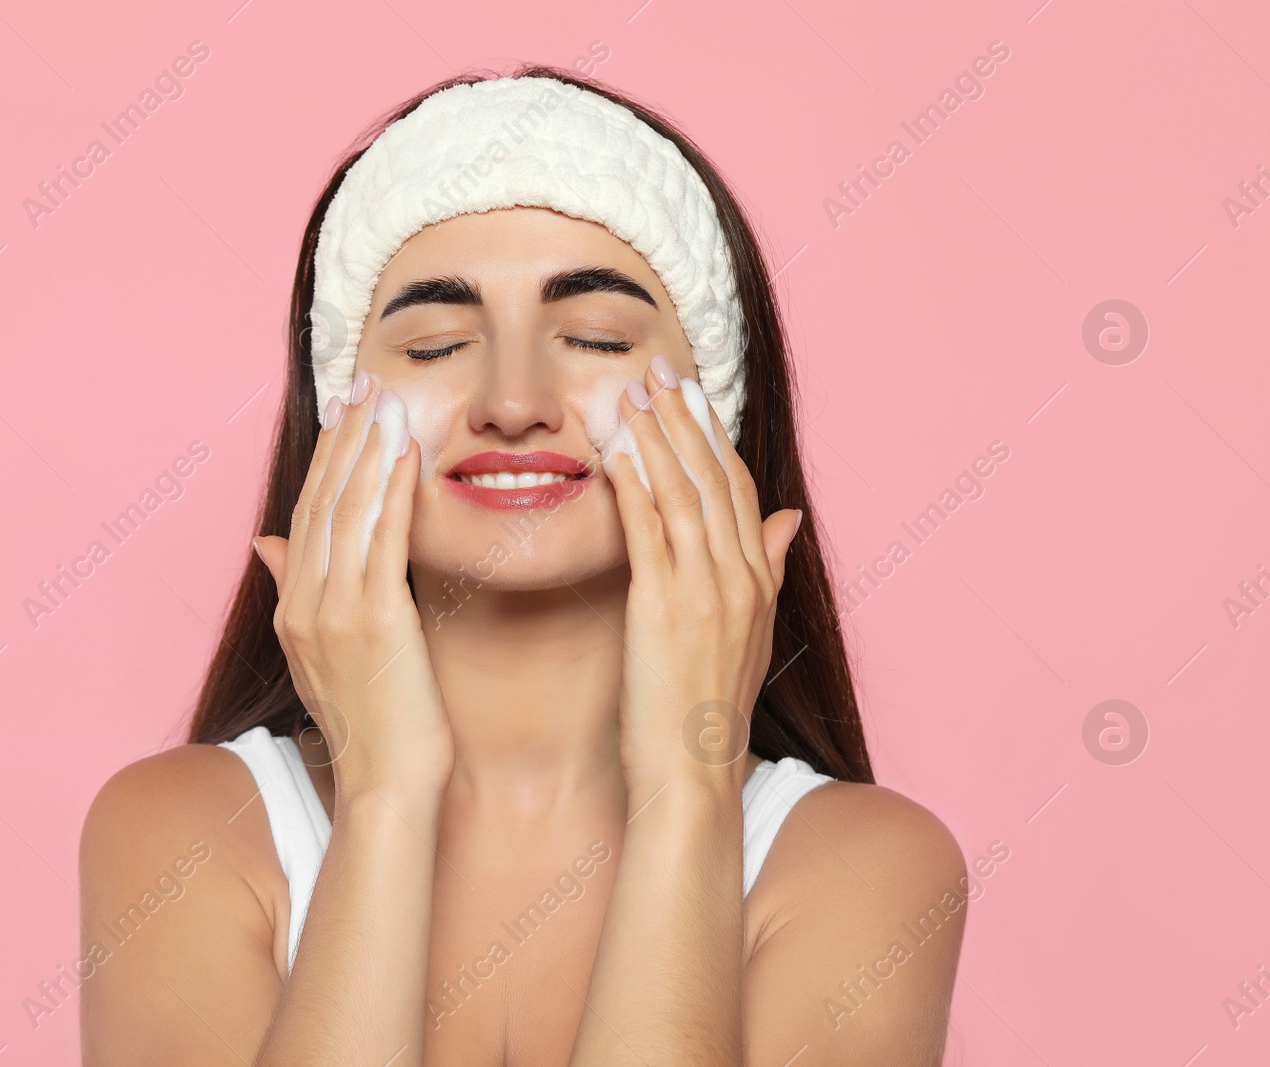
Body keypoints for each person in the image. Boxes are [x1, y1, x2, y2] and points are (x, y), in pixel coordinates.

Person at [79, 66, 966, 1066]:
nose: (511, 399)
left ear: (718, 409)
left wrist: (687, 785)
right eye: (435, 344)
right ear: (337, 413)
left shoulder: (863, 870)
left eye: (592, 335)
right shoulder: (184, 836)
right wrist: (384, 795)